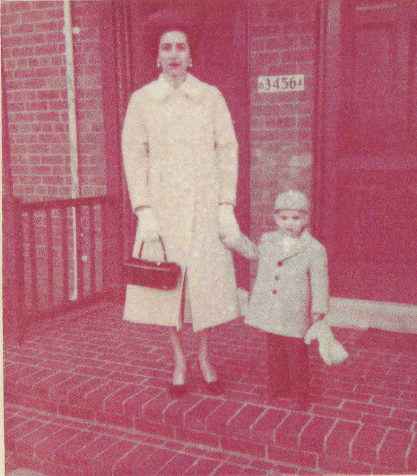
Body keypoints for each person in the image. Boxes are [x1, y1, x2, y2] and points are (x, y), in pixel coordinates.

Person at [121, 9, 242, 398]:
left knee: (206, 287)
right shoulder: (143, 100)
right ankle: (179, 361)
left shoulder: (210, 97)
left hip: (205, 208)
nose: (174, 54)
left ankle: (205, 356)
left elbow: (227, 150)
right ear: (157, 57)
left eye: (181, 47)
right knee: (165, 288)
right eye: (166, 48)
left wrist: (225, 205)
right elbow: (134, 157)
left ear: (191, 56)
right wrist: (144, 211)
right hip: (163, 211)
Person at [238, 190, 330, 410]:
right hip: (273, 308)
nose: (289, 223)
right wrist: (234, 239)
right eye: (284, 217)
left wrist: (319, 307)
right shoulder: (268, 240)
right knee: (274, 350)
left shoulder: (314, 248)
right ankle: (276, 385)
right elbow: (254, 254)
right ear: (276, 218)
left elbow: (320, 281)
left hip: (295, 310)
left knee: (296, 352)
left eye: (296, 218)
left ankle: (300, 393)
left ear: (305, 219)